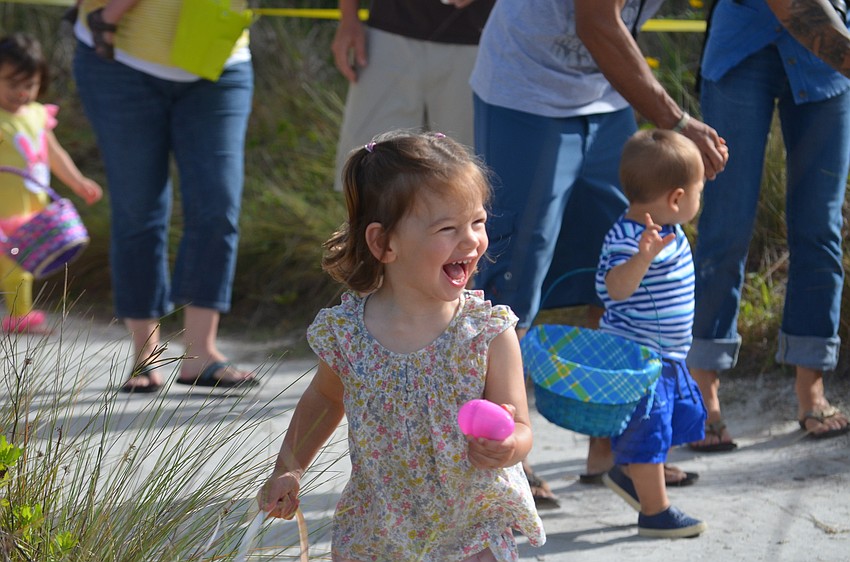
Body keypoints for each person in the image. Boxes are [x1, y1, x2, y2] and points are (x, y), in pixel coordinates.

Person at [469, 0, 729, 505]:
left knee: (614, 270)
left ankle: (609, 454)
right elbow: (597, 21)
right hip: (526, 93)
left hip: (605, 100)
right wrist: (675, 120)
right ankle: (504, 453)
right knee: (513, 278)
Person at [257, 130, 545, 561]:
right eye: (447, 228)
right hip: (378, 527)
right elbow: (323, 399)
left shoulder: (486, 332)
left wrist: (509, 448)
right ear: (383, 243)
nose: (471, 241)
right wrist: (289, 469)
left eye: (478, 222)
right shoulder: (349, 335)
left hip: (471, 524)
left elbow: (520, 426)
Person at [688, 0, 850, 451]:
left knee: (820, 227)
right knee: (726, 226)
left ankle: (811, 389)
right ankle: (703, 392)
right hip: (744, 46)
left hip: (829, 57)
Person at [71, 0, 256, 392]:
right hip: (119, 61)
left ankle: (200, 354)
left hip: (218, 59)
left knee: (218, 206)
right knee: (138, 210)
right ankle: (146, 356)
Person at [597, 129, 708, 538]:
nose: (700, 201)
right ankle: (655, 512)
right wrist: (641, 260)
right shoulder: (628, 238)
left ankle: (630, 476)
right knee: (649, 428)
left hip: (668, 357)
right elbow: (613, 289)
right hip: (638, 360)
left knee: (667, 422)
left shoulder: (666, 230)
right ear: (676, 198)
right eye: (699, 192)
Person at [330, 0, 494, 191]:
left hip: (477, 41)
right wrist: (349, 17)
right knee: (366, 178)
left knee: (468, 184)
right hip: (386, 35)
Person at [0, 32, 103, 334]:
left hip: (31, 207)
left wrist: (78, 181)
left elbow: (54, 153)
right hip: (5, 210)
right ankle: (20, 316)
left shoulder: (36, 114)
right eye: (12, 83)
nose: (21, 92)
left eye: (29, 84)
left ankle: (20, 315)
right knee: (15, 264)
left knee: (20, 264)